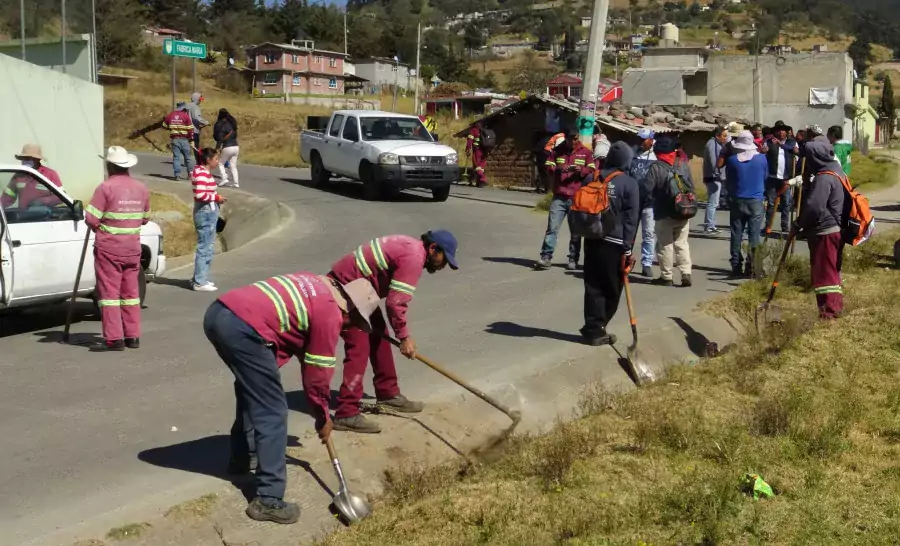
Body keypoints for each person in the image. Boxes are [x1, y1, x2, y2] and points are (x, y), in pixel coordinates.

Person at [205, 273, 380, 524]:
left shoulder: (320, 286)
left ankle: (243, 458)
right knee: (273, 411)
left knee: (253, 388)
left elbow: (296, 339)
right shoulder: (330, 315)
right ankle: (268, 499)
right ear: (350, 309)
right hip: (243, 327)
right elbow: (318, 377)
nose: (349, 328)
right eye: (354, 321)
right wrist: (322, 417)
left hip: (219, 313)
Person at [328, 231, 459, 434]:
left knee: (379, 333)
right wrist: (404, 337)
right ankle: (346, 413)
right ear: (433, 248)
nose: (443, 266)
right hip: (345, 291)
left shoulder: (410, 247)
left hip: (359, 291)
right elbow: (395, 302)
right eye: (444, 260)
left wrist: (402, 334)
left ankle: (388, 393)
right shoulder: (414, 257)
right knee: (359, 347)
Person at [84, 146, 150, 352]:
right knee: (131, 293)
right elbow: (146, 218)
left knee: (110, 295)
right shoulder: (141, 188)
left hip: (109, 249)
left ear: (109, 165)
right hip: (132, 248)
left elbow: (91, 218)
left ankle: (114, 339)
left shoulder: (105, 188)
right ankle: (133, 336)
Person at [580, 141, 640, 346]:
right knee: (613, 289)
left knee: (593, 286)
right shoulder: (630, 184)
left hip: (591, 238)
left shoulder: (591, 177)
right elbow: (632, 220)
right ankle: (597, 327)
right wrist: (628, 248)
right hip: (615, 243)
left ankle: (594, 327)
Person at [795, 139, 845, 319]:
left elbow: (814, 207)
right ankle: (834, 308)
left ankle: (829, 314)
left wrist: (799, 223)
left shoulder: (824, 178)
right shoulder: (837, 172)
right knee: (831, 272)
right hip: (834, 230)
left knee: (824, 275)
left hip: (824, 231)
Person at [537, 130, 594, 270]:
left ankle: (573, 258)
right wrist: (559, 168)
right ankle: (546, 256)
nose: (573, 141)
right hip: (559, 196)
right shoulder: (557, 151)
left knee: (576, 231)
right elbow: (548, 166)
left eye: (575, 138)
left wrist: (581, 170)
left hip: (576, 197)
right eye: (570, 138)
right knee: (552, 228)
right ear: (566, 138)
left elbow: (592, 169)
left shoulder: (586, 152)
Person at [644, 135, 695, 287]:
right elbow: (691, 185)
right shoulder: (682, 163)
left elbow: (648, 189)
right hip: (683, 210)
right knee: (682, 243)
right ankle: (686, 274)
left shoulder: (655, 167)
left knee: (665, 244)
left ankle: (666, 277)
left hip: (663, 211)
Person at [725, 131, 768, 277]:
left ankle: (736, 265)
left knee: (736, 233)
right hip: (756, 200)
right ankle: (753, 267)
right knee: (754, 235)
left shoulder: (732, 161)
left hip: (737, 199)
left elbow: (729, 180)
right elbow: (765, 176)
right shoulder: (762, 159)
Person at [191, 148, 226, 292]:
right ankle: (199, 282)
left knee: (208, 245)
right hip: (205, 211)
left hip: (209, 210)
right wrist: (216, 198)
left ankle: (201, 278)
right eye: (216, 159)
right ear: (208, 159)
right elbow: (200, 194)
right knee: (205, 246)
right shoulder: (201, 174)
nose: (218, 162)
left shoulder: (202, 172)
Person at [629, 128, 657, 278]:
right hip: (632, 202)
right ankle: (626, 261)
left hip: (649, 203)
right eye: (640, 139)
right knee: (629, 233)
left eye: (644, 139)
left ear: (651, 140)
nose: (641, 142)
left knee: (648, 234)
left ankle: (647, 263)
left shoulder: (656, 158)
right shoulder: (632, 155)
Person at [2, 144, 64, 208]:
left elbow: (61, 197)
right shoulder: (18, 176)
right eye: (23, 158)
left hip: (44, 216)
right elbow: (7, 197)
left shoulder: (50, 174)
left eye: (28, 158)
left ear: (37, 160)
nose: (25, 161)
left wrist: (43, 201)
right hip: (23, 216)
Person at [764, 120, 798, 234]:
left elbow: (797, 155)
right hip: (772, 177)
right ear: (775, 132)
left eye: (783, 130)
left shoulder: (792, 143)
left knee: (786, 203)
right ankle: (768, 225)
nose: (781, 133)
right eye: (778, 130)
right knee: (771, 203)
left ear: (786, 132)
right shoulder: (769, 142)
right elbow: (763, 154)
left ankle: (785, 226)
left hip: (786, 177)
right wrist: (764, 151)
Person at [702, 126, 729, 234]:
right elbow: (714, 162)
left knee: (712, 202)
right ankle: (709, 226)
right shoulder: (712, 144)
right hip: (713, 176)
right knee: (713, 203)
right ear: (717, 136)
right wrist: (718, 173)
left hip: (714, 176)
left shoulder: (717, 144)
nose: (725, 138)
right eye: (723, 136)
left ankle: (709, 224)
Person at [162, 103, 195, 180]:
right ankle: (190, 174)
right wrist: (191, 139)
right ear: (183, 109)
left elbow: (164, 125)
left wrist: (171, 127)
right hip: (184, 139)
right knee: (188, 158)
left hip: (175, 139)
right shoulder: (185, 116)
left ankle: (177, 175)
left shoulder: (170, 115)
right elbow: (190, 129)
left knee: (176, 158)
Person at [214, 109, 240, 188]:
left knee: (220, 163)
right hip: (236, 146)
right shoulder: (232, 124)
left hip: (227, 146)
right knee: (233, 166)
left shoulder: (222, 125)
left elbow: (220, 138)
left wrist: (217, 148)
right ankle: (236, 183)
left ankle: (224, 178)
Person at [465, 122, 487, 188]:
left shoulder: (473, 130)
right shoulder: (483, 130)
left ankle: (483, 179)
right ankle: (479, 183)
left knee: (477, 167)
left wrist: (467, 149)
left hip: (477, 151)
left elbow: (469, 141)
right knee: (481, 167)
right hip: (485, 152)